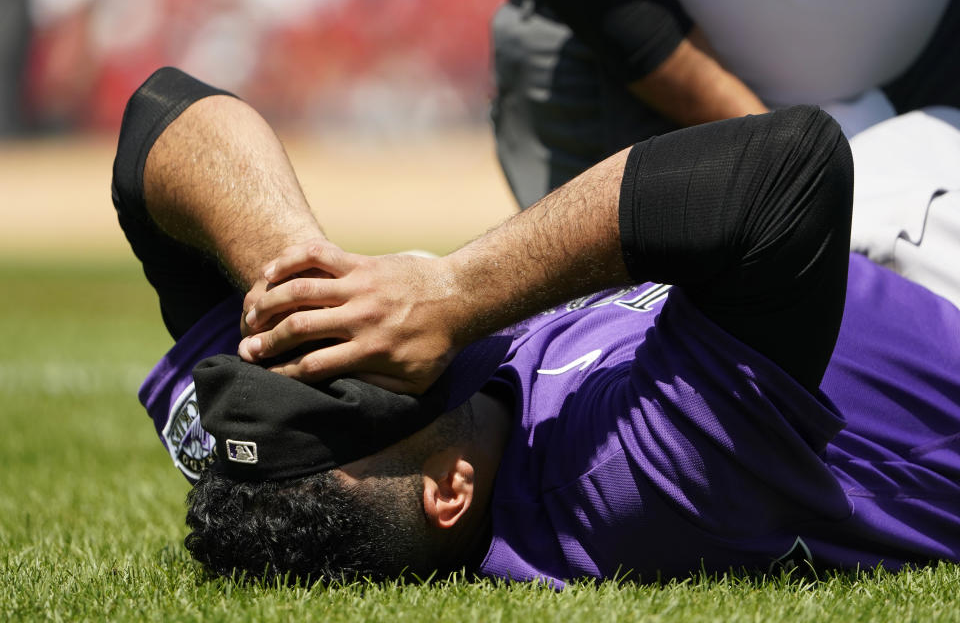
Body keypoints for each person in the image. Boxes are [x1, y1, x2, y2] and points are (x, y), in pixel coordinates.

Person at [115, 68, 960, 586]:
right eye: (353, 379)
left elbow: (159, 118)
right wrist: (451, 294)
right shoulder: (631, 490)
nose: (342, 341)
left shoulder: (257, 457)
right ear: (450, 490)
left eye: (299, 352)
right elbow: (787, 168)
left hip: (863, 217)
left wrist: (292, 267)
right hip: (929, 266)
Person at [493, 0, 960, 208]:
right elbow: (600, 1)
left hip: (912, 99)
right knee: (615, 353)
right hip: (628, 72)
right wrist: (794, 159)